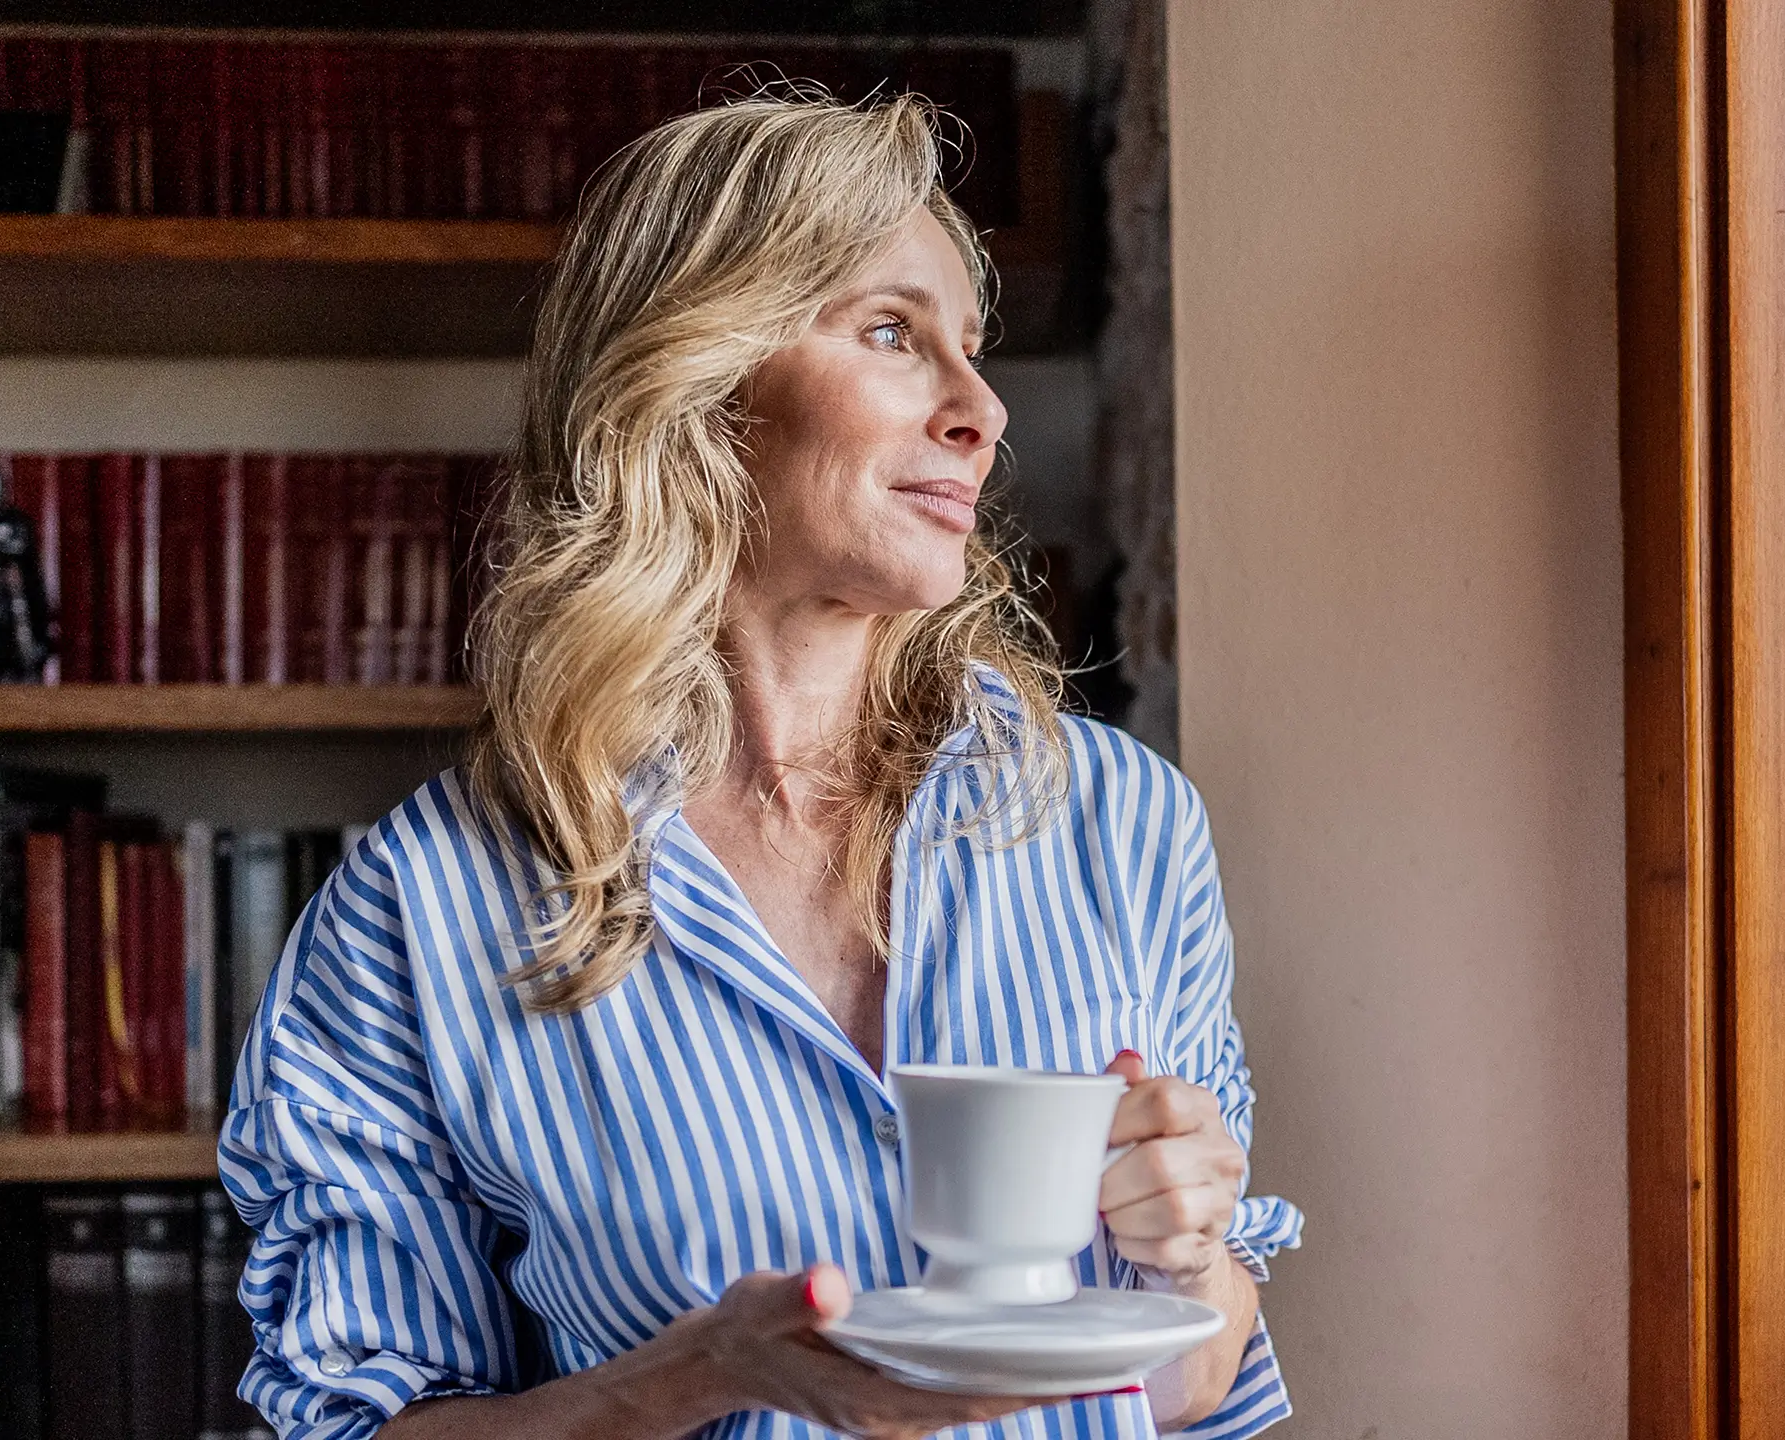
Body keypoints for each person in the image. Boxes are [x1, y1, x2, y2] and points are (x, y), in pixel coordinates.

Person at [218, 90, 1302, 1440]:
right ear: (701, 383)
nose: (982, 410)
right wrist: (698, 1371)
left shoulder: (1120, 822)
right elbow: (354, 1422)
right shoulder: (424, 910)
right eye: (897, 333)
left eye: (976, 348)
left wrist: (1188, 1258)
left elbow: (1194, 1389)